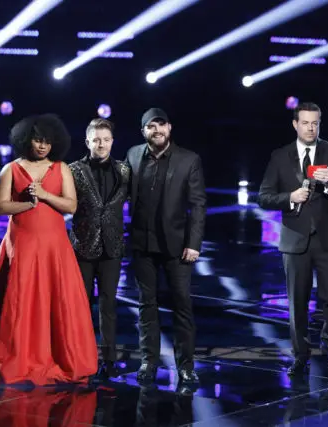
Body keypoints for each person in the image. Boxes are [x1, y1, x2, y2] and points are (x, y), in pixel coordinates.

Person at [0, 114, 98, 385]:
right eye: (38, 140)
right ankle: (19, 357)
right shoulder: (10, 169)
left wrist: (44, 196)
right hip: (22, 242)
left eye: (47, 142)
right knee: (20, 301)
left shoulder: (61, 168)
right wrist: (28, 205)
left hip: (54, 244)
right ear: (26, 140)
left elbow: (71, 206)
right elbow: (1, 207)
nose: (42, 146)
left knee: (57, 300)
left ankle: (60, 357)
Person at [257, 102, 328, 376]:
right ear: (295, 124)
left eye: (315, 123)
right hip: (295, 239)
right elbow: (263, 197)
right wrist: (290, 197)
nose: (311, 128)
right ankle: (300, 355)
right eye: (306, 123)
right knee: (297, 301)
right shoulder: (279, 156)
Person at [126, 108, 206, 384]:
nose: (157, 130)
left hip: (177, 246)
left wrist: (194, 243)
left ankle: (186, 366)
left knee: (182, 306)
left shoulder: (188, 159)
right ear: (143, 131)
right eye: (151, 126)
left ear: (170, 128)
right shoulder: (134, 155)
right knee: (146, 306)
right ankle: (148, 362)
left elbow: (198, 205)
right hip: (141, 243)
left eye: (161, 125)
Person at [69, 118, 130, 379]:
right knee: (81, 306)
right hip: (82, 247)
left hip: (112, 247)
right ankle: (81, 358)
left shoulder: (125, 171)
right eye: (96, 140)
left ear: (112, 142)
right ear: (87, 142)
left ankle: (109, 359)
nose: (101, 144)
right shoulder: (72, 170)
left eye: (105, 139)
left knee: (108, 306)